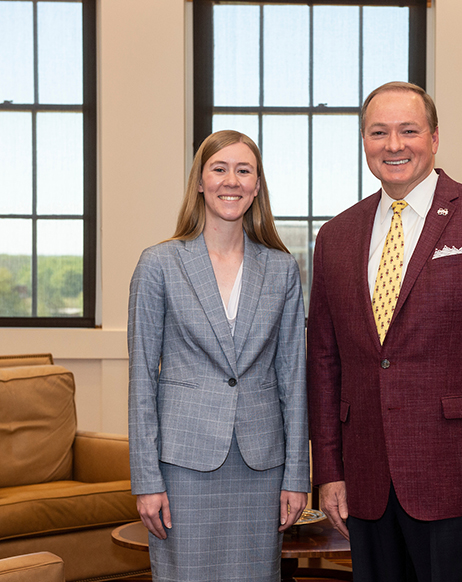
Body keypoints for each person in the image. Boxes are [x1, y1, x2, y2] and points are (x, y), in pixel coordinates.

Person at [307, 82, 462, 582]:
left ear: (434, 138)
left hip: (460, 486)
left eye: (408, 130)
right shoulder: (335, 237)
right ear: (364, 142)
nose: (394, 145)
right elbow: (324, 363)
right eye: (379, 132)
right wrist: (328, 472)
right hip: (366, 484)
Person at [128, 130, 309, 581]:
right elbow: (142, 380)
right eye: (220, 168)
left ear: (257, 186)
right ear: (200, 183)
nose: (232, 181)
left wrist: (297, 476)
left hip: (261, 465)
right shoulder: (159, 264)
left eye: (244, 170)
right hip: (183, 465)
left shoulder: (282, 268)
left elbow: (293, 377)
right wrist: (146, 480)